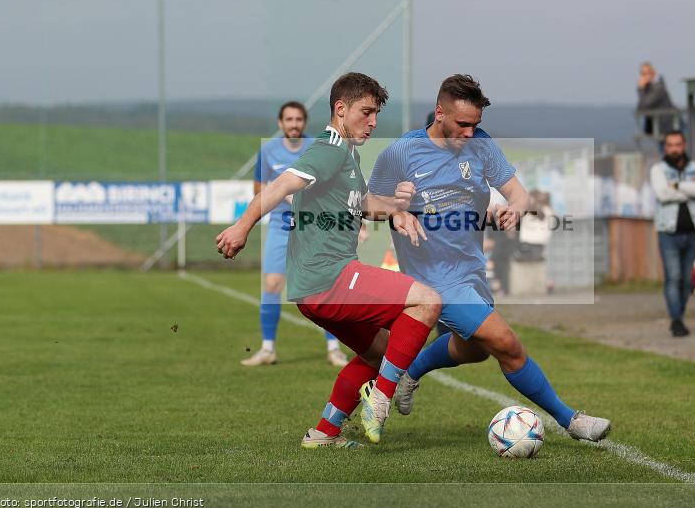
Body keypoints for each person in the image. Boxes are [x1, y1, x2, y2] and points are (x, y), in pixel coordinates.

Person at [368, 74, 611, 443]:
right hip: (432, 279)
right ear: (439, 113)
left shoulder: (481, 145)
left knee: (473, 350)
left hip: (471, 272)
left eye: (475, 125)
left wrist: (513, 209)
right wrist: (396, 210)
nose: (469, 132)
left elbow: (520, 194)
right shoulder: (402, 152)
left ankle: (410, 370)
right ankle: (572, 421)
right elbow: (369, 205)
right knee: (507, 344)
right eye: (463, 124)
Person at [216, 72, 442, 448]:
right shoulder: (329, 149)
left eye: (376, 114)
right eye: (365, 112)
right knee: (428, 300)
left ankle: (325, 432)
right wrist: (242, 226)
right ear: (341, 109)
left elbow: (363, 203)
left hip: (314, 290)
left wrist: (396, 211)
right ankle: (380, 400)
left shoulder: (346, 154)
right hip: (331, 278)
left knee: (380, 351)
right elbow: (280, 186)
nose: (372, 122)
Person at [241, 101, 349, 368]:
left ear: (305, 122)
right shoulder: (268, 151)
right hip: (280, 227)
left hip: (313, 227)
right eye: (288, 119)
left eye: (298, 119)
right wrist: (281, 196)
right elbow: (260, 189)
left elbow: (331, 186)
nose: (294, 124)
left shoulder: (318, 148)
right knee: (272, 285)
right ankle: (268, 349)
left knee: (324, 287)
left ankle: (334, 348)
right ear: (281, 123)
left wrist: (303, 199)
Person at [650, 131, 695, 337]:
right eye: (670, 145)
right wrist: (690, 190)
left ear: (684, 145)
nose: (674, 149)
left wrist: (677, 186)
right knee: (673, 276)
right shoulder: (658, 170)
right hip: (668, 232)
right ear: (665, 147)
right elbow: (662, 194)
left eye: (678, 144)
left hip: (691, 231)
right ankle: (676, 319)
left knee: (686, 280)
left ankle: (680, 315)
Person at [636, 61, 678, 137]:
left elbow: (643, 107)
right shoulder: (649, 89)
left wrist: (640, 89)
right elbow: (640, 108)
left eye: (647, 73)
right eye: (643, 74)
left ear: (653, 73)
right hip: (661, 129)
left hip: (667, 128)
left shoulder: (657, 88)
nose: (644, 77)